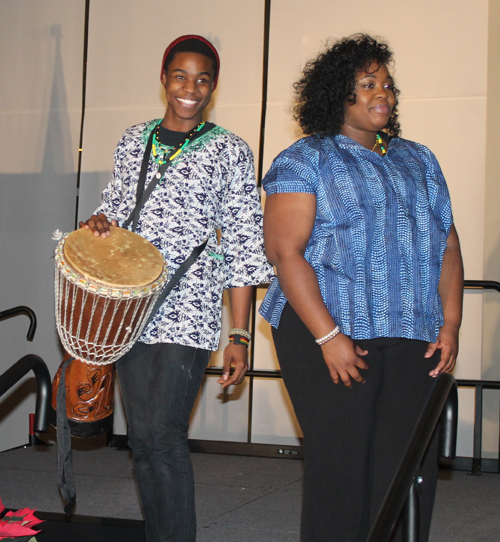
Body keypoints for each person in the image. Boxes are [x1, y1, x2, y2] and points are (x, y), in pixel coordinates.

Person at [259, 34, 463, 542]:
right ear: (336, 94)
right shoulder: (306, 158)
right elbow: (286, 253)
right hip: (325, 330)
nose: (383, 94)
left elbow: (448, 244)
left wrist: (452, 322)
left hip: (414, 332)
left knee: (405, 468)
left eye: (387, 85)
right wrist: (329, 337)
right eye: (367, 84)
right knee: (342, 466)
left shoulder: (420, 159)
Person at [80, 35, 274, 542]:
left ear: (213, 86)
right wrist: (101, 222)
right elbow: (117, 211)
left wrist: (240, 334)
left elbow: (242, 246)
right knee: (142, 440)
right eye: (181, 76)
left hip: (188, 310)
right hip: (129, 310)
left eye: (203, 78)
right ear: (164, 78)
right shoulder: (133, 139)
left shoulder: (230, 150)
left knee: (162, 436)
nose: (191, 88)